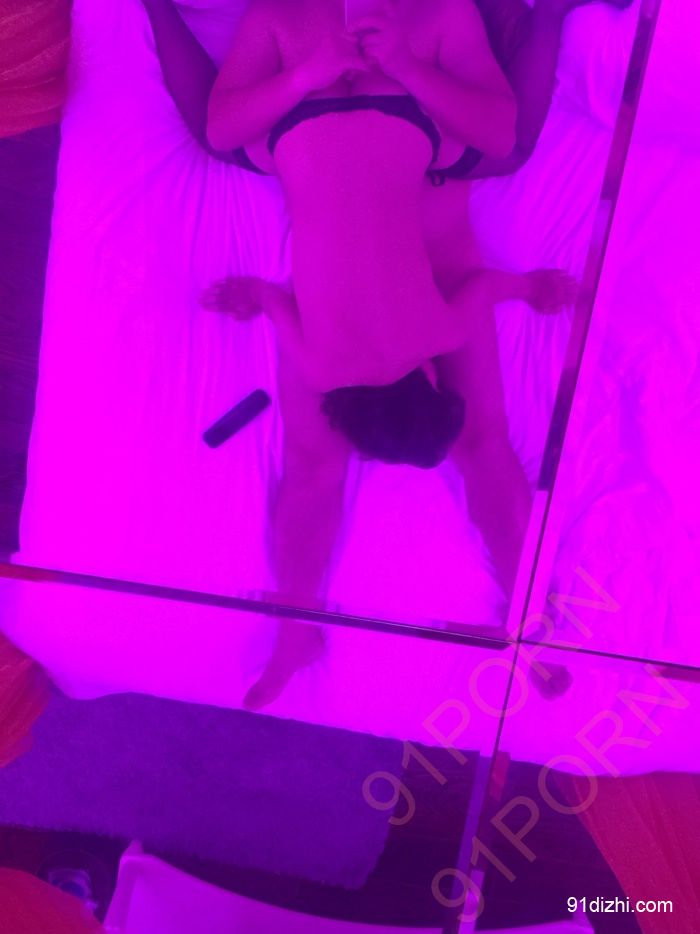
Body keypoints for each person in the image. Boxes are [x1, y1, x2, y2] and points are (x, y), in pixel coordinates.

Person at [140, 0, 630, 709]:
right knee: (315, 462)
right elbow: (229, 123)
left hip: (429, 258)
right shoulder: (287, 23)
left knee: (482, 442)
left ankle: (530, 617)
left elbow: (497, 131)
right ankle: (295, 630)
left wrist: (404, 68)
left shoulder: (436, 21)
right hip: (360, 273)